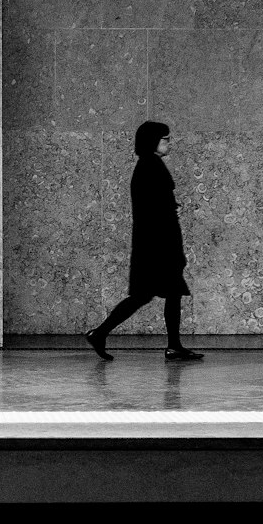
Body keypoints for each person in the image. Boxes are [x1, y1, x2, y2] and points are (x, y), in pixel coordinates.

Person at [86, 120, 204, 363]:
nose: (169, 143)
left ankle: (171, 345)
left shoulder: (148, 165)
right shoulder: (151, 166)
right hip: (159, 246)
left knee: (162, 294)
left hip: (154, 245)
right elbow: (157, 211)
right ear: (153, 141)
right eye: (165, 139)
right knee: (148, 295)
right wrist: (172, 219)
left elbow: (156, 206)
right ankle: (101, 333)